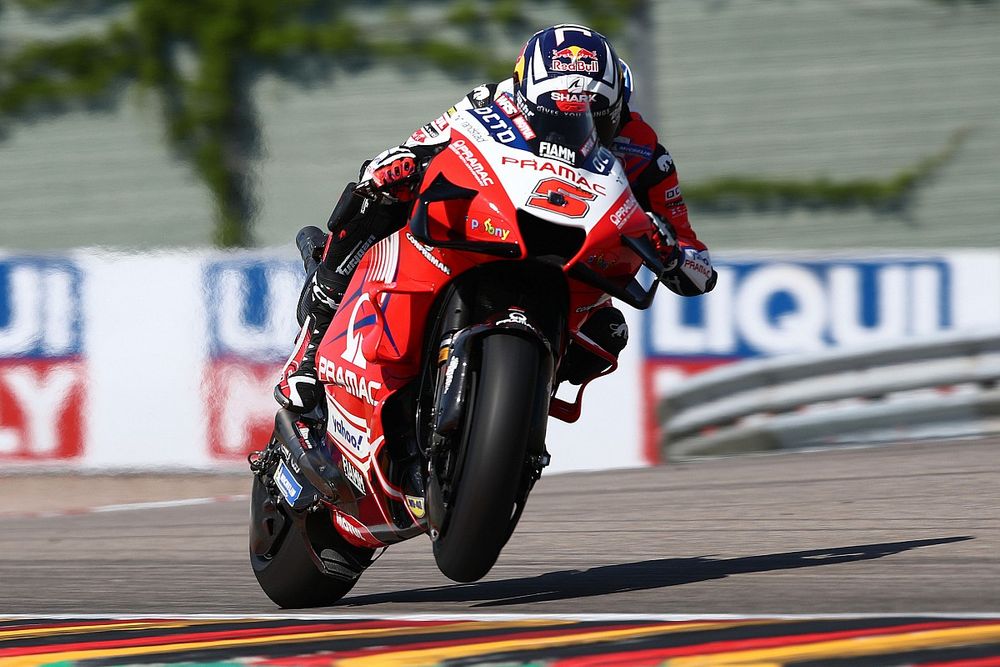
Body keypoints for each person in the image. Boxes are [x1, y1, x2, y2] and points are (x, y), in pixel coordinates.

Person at [276, 23, 718, 413]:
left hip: (572, 265)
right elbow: (415, 146)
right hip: (484, 230)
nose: (578, 124)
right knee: (376, 199)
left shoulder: (646, 154)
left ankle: (518, 407)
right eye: (555, 112)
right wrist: (400, 165)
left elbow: (697, 262)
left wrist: (673, 252)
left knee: (608, 333)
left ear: (619, 104)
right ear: (525, 96)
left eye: (595, 117)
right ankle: (313, 346)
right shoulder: (491, 103)